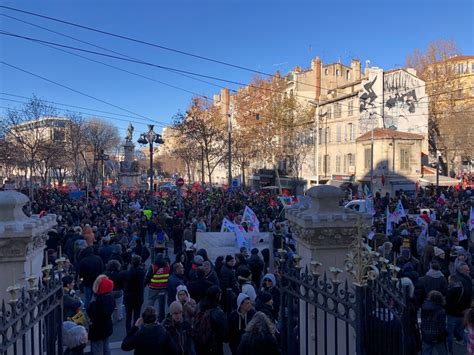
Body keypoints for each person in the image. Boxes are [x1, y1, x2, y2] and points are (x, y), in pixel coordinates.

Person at [193, 285, 228, 355]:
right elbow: (224, 331)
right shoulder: (218, 312)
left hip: (200, 345)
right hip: (214, 346)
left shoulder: (200, 305)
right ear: (217, 295)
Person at [87, 275, 115, 355]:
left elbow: (91, 313)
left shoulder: (97, 301)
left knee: (97, 349)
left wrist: (92, 304)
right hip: (107, 326)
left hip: (97, 328)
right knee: (106, 346)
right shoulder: (110, 298)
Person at [123, 255, 146, 332]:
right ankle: (135, 330)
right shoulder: (141, 272)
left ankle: (128, 331)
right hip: (138, 296)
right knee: (137, 315)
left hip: (129, 296)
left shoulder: (128, 272)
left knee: (128, 315)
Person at [420, 290, 448, 355]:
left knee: (426, 351)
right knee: (442, 351)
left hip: (426, 333)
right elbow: (442, 325)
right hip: (438, 336)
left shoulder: (424, 307)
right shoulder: (441, 310)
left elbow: (422, 320)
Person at [145, 253, 170, 322]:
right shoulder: (167, 265)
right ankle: (161, 318)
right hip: (163, 288)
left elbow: (147, 277)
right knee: (161, 303)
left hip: (153, 287)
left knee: (151, 301)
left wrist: (145, 284)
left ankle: (149, 316)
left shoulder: (153, 266)